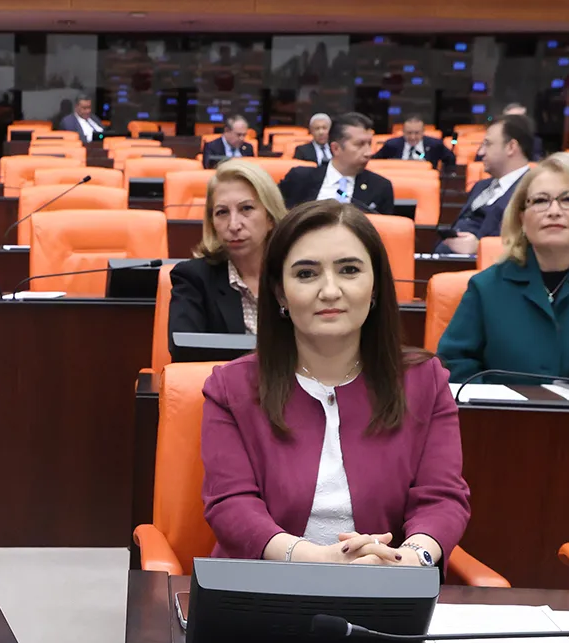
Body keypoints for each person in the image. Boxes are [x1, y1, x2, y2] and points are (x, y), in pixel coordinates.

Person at [199, 198, 469, 569]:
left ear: (375, 286)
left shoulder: (425, 381)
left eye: (349, 270)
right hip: (266, 583)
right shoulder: (231, 387)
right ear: (279, 292)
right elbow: (231, 505)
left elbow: (442, 500)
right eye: (306, 274)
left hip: (386, 585)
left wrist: (407, 560)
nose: (329, 290)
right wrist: (317, 560)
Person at [437, 152, 569, 384]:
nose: (554, 211)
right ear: (522, 218)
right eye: (541, 200)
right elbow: (453, 365)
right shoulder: (485, 289)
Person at [167, 161, 286, 341]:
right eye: (222, 212)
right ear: (212, 223)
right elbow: (184, 349)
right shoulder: (194, 278)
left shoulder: (296, 273)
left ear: (270, 217)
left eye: (246, 208)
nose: (233, 225)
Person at [440, 113, 533, 255]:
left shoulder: (533, 191)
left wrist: (480, 249)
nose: (481, 152)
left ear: (511, 147)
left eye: (487, 144)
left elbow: (528, 247)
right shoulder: (480, 186)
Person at [280, 112, 395, 215]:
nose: (368, 153)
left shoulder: (380, 187)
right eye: (359, 144)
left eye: (369, 144)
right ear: (336, 148)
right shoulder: (299, 178)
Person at [373, 115, 456, 167]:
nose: (413, 137)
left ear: (423, 132)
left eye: (417, 133)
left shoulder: (435, 144)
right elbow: (375, 161)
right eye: (409, 133)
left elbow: (451, 159)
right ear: (403, 132)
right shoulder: (392, 145)